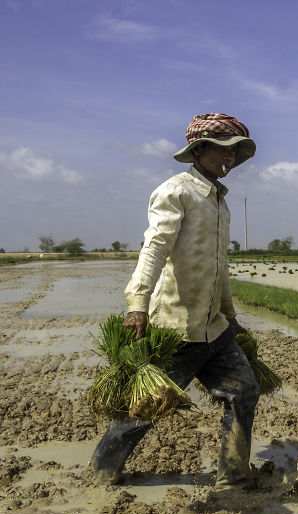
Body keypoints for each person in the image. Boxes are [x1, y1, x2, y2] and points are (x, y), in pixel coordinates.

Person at [89, 113, 261, 488]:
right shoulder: (176, 191)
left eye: (235, 153)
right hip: (175, 328)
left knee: (245, 390)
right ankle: (101, 473)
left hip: (213, 329)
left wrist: (229, 314)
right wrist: (137, 304)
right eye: (224, 151)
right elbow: (154, 248)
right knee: (145, 408)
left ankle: (233, 477)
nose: (229, 160)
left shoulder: (220, 203)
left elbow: (220, 268)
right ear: (199, 150)